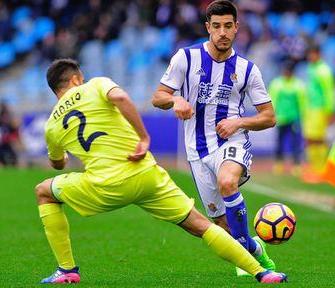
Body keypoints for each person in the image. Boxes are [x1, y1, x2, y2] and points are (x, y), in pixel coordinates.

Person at [35, 59, 287, 284]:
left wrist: (64, 155)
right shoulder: (96, 85)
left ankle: (66, 270)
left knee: (44, 192)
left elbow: (58, 164)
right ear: (77, 79)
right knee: (201, 225)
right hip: (145, 174)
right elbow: (121, 98)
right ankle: (262, 273)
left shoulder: (51, 126)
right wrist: (143, 138)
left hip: (104, 186)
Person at [152, 0, 276, 277]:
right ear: (208, 27)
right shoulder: (186, 58)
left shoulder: (247, 69)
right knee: (221, 226)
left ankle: (248, 261)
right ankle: (254, 249)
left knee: (227, 181)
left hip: (231, 143)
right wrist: (175, 100)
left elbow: (269, 117)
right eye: (217, 26)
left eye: (228, 26)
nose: (222, 32)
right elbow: (157, 96)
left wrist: (239, 122)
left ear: (236, 28)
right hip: (196, 151)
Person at [303, 45, 335, 183]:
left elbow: (329, 92)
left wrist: (330, 111)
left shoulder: (324, 70)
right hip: (310, 109)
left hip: (320, 109)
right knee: (309, 138)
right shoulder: (312, 68)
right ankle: (314, 168)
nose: (311, 57)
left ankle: (321, 170)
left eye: (313, 54)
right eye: (309, 54)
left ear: (318, 54)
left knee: (319, 139)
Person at [268, 61, 305, 175]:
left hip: (294, 118)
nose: (287, 73)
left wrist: (302, 116)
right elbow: (272, 100)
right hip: (280, 118)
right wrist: (272, 115)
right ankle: (279, 164)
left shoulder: (298, 84)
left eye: (289, 71)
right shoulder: (277, 84)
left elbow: (302, 102)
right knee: (279, 142)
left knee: (296, 143)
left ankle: (297, 164)